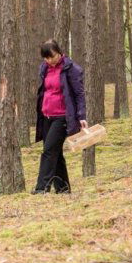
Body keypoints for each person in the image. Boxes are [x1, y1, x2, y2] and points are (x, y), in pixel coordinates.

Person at [33, 40, 87, 194]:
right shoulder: (44, 68)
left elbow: (79, 94)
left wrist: (81, 115)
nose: (50, 60)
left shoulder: (71, 68)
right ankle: (63, 189)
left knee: (49, 150)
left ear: (59, 52)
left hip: (63, 116)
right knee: (55, 152)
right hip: (46, 115)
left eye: (53, 56)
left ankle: (41, 188)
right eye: (47, 58)